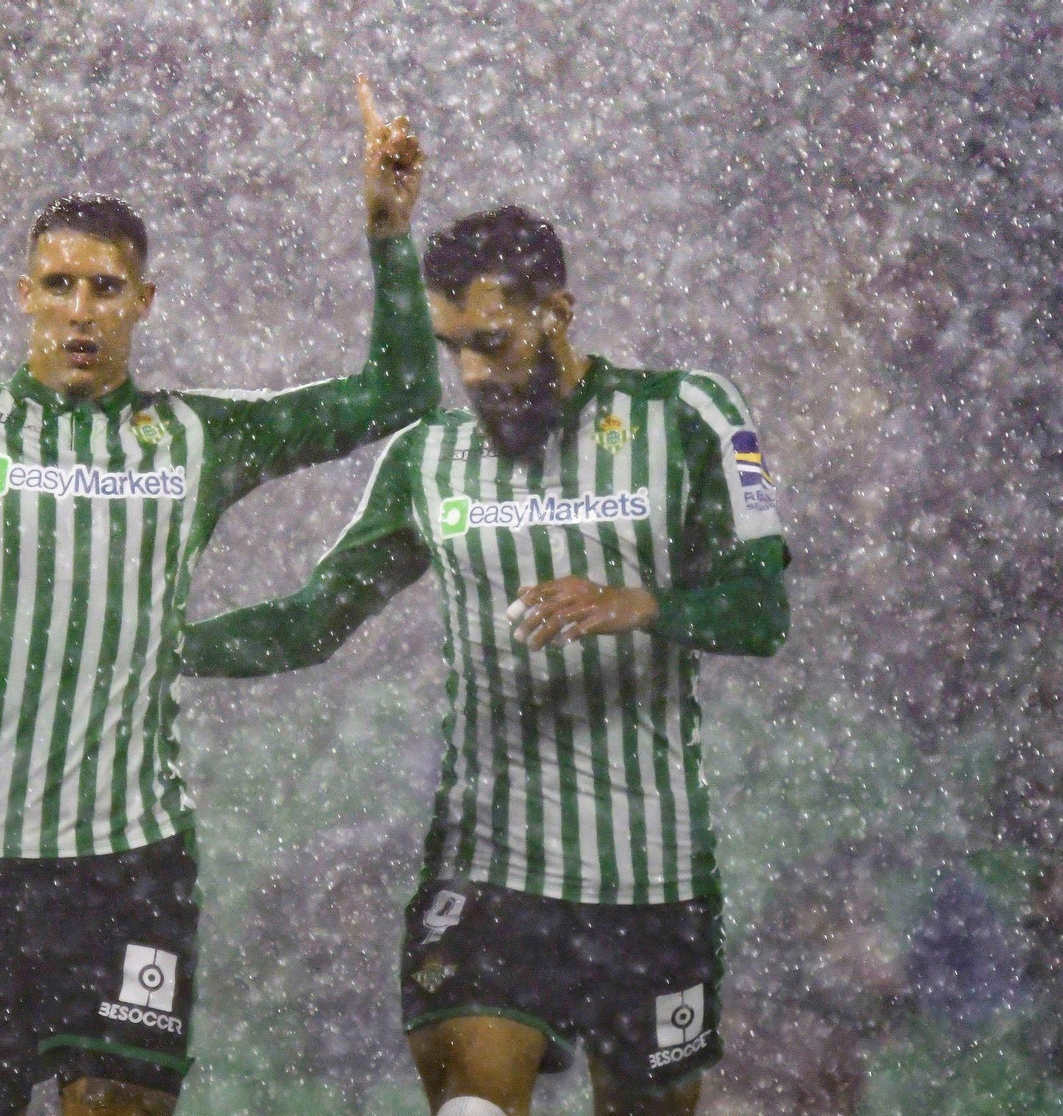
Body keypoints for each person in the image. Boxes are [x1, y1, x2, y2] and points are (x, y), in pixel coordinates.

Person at [0, 62, 437, 1116]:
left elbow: (400, 390)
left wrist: (386, 231)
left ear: (144, 302)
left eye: (105, 288)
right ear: (24, 297)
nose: (80, 311)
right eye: (58, 285)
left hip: (130, 865)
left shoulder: (196, 439)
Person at [182, 206, 790, 1116]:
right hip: (489, 870)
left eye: (492, 343)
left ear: (559, 312)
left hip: (652, 874)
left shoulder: (687, 415)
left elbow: (763, 611)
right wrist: (161, 646)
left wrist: (645, 605)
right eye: (452, 347)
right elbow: (313, 621)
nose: (470, 374)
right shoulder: (429, 459)